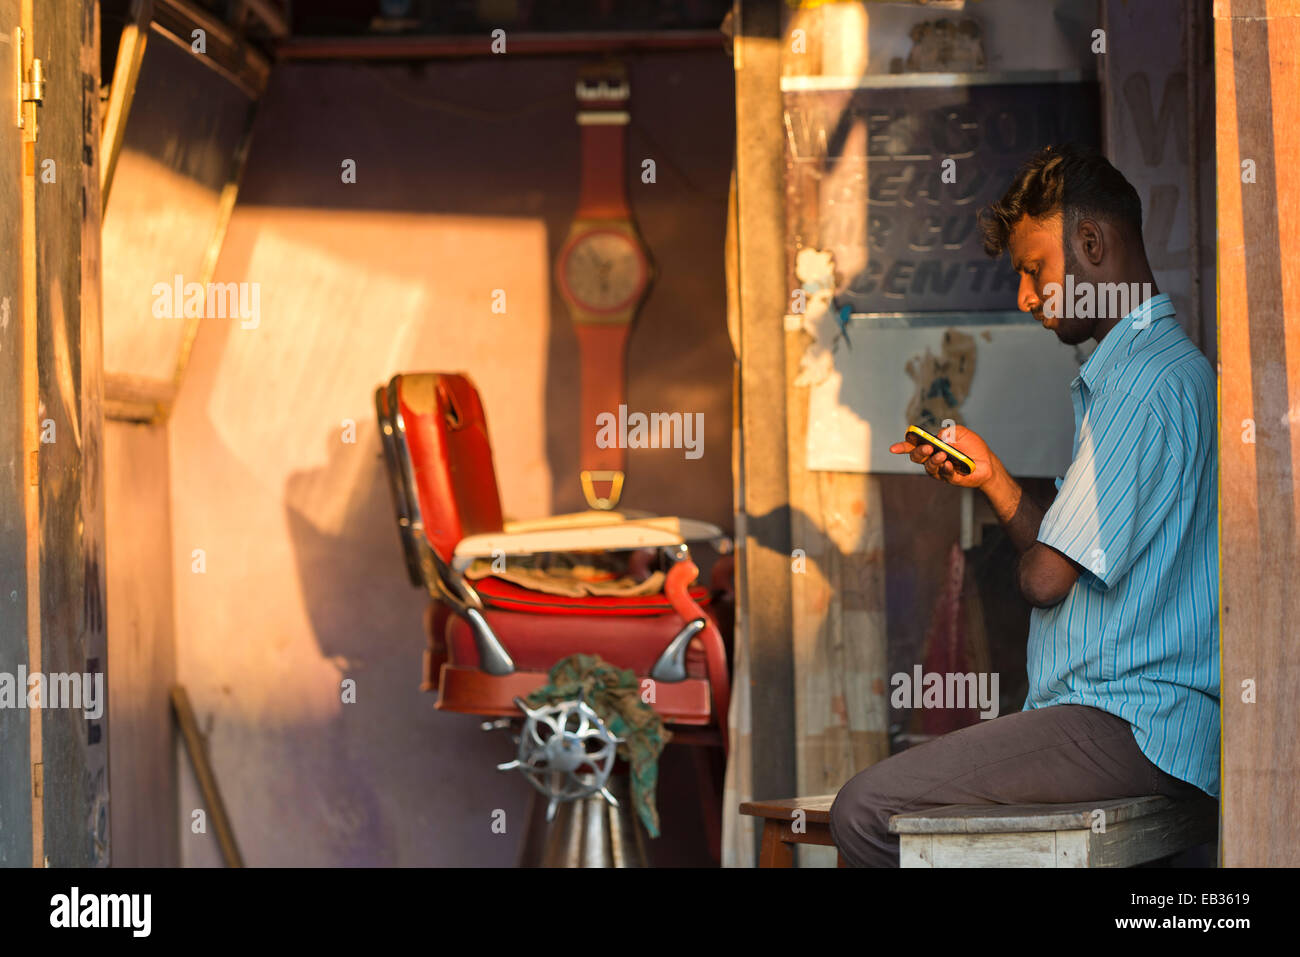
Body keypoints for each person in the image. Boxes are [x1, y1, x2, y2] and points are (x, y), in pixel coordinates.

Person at [829, 143, 1219, 867]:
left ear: (1092, 244)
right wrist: (994, 481)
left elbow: (1045, 577)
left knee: (866, 811)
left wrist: (1020, 549)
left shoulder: (1137, 386)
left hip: (1130, 723)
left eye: (1034, 267)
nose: (1025, 295)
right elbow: (1080, 553)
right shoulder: (1164, 371)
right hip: (1147, 727)